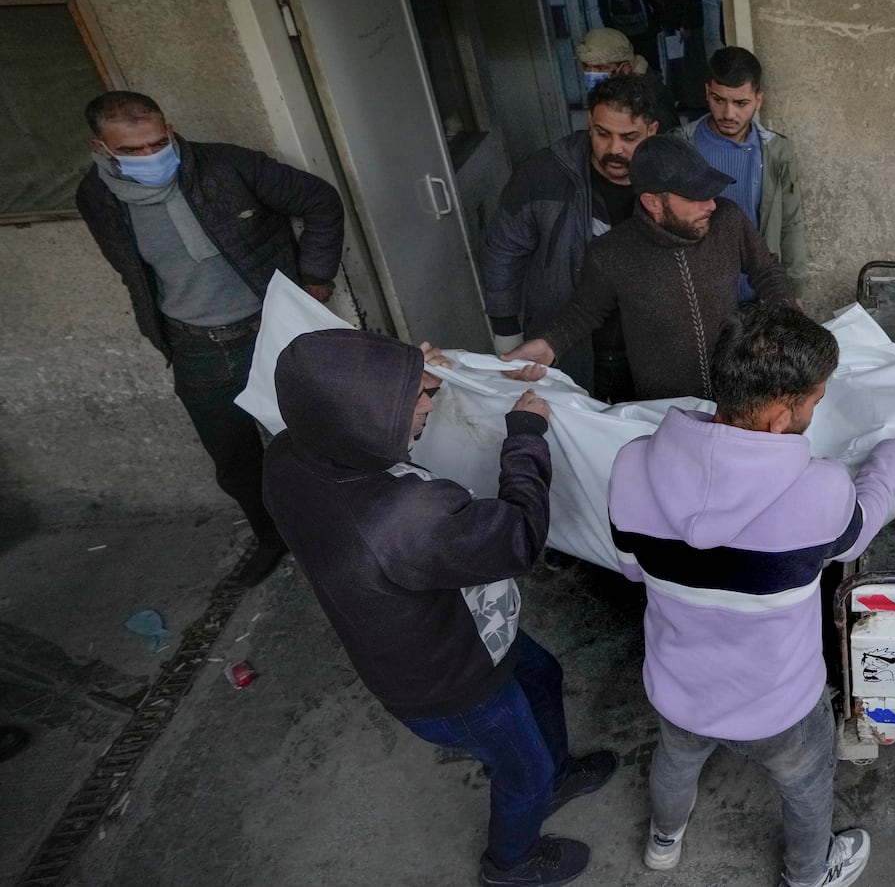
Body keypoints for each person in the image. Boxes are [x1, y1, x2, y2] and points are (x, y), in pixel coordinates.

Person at [263, 329, 615, 887]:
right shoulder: (402, 518)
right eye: (414, 399)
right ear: (364, 422)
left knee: (543, 676)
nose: (429, 402)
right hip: (450, 682)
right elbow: (519, 538)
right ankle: (510, 863)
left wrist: (403, 374)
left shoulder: (290, 455)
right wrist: (524, 434)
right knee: (522, 772)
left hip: (445, 632)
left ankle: (557, 776)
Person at [608, 305, 895, 887]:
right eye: (816, 401)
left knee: (675, 761)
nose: (816, 410)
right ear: (783, 417)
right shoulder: (820, 490)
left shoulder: (631, 465)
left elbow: (633, 571)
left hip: (679, 686)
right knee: (807, 786)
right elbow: (859, 527)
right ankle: (808, 875)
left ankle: (663, 843)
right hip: (777, 703)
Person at [75, 90, 344, 587]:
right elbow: (131, 269)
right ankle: (272, 537)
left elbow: (321, 201)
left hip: (273, 328)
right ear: (101, 148)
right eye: (132, 151)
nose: (151, 156)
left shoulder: (227, 167)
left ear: (170, 129)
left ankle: (349, 531)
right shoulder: (96, 198)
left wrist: (316, 279)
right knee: (235, 459)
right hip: (196, 346)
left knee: (320, 438)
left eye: (159, 142)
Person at [500, 136, 791, 401]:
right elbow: (585, 312)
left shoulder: (728, 221)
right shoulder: (611, 253)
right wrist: (550, 344)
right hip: (663, 408)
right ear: (653, 202)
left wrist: (789, 320)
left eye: (711, 193)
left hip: (736, 394)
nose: (711, 205)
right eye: (694, 197)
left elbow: (766, 271)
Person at [480, 74, 661, 402]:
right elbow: (503, 251)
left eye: (629, 137)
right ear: (589, 122)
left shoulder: (669, 178)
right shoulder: (542, 174)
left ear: (653, 130)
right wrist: (506, 333)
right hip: (563, 345)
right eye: (602, 133)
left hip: (645, 351)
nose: (614, 149)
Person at [678, 46, 808, 298]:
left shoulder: (776, 151)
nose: (729, 113)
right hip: (700, 297)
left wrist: (794, 291)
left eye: (741, 103)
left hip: (759, 294)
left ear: (759, 100)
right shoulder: (682, 145)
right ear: (707, 92)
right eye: (719, 100)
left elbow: (791, 223)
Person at [575, 28, 677, 132]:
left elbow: (667, 142)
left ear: (625, 68)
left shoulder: (652, 97)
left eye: (602, 68)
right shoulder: (613, 91)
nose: (592, 73)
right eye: (586, 67)